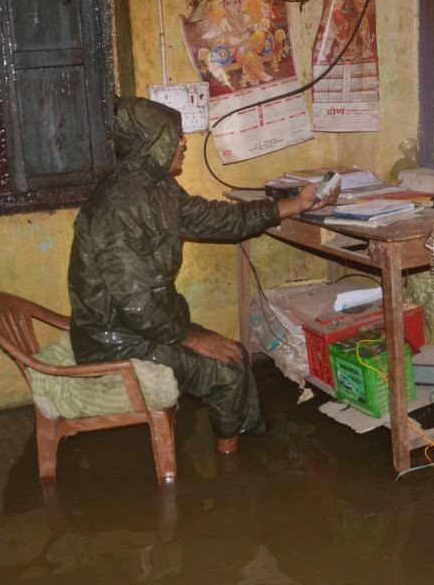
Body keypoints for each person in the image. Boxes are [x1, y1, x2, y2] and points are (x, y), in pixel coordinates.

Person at [68, 97, 339, 454]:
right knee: (227, 368)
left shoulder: (153, 185)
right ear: (153, 141)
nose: (184, 142)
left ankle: (247, 435)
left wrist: (296, 204)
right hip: (114, 339)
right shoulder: (121, 208)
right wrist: (190, 339)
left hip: (138, 325)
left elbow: (218, 219)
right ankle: (232, 468)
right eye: (175, 136)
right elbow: (137, 304)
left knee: (235, 356)